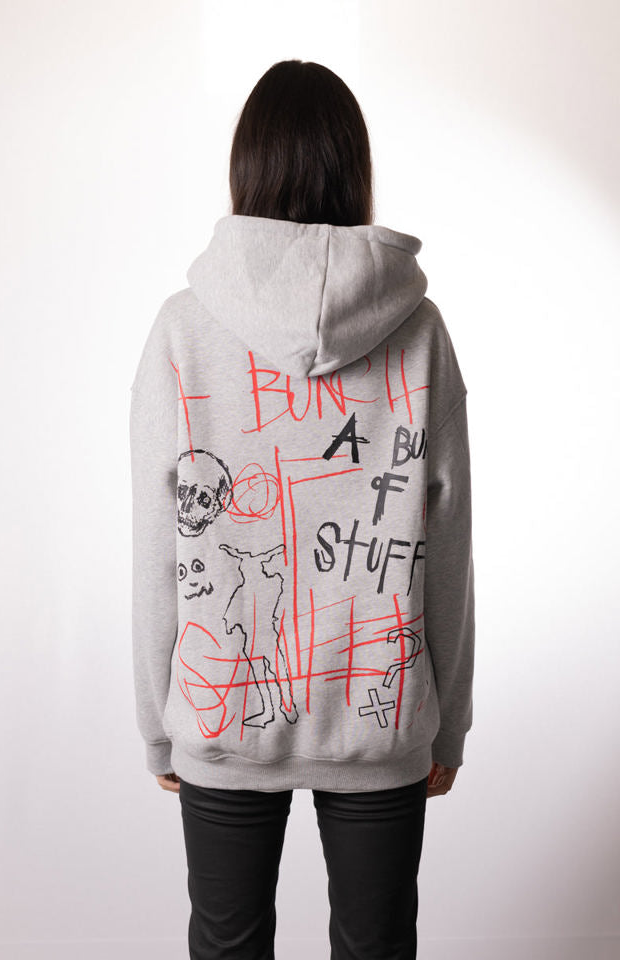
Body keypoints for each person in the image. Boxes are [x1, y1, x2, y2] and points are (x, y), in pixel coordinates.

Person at [130, 58, 475, 960]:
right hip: (381, 715)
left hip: (223, 715)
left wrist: (160, 725)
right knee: (377, 948)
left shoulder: (183, 330)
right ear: (354, 170)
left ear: (246, 169)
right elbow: (449, 544)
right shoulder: (419, 332)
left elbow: (156, 547)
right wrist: (449, 717)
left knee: (227, 947)